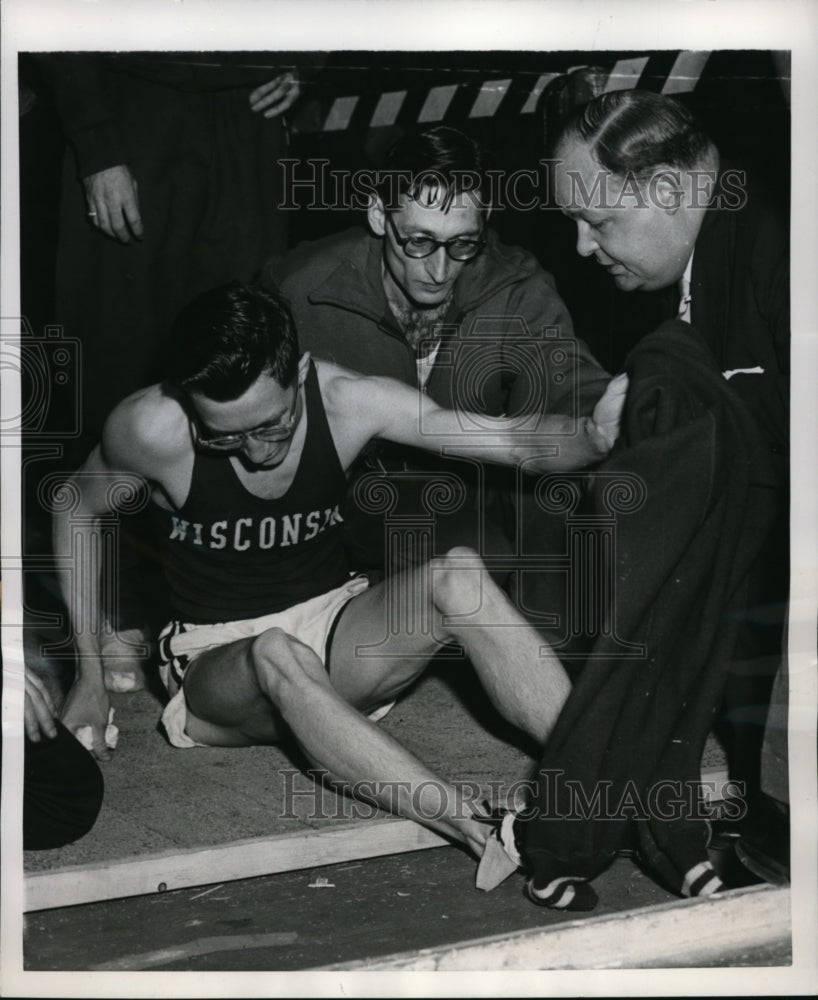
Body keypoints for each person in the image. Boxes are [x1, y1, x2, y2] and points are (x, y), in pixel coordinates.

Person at [52, 281, 626, 871]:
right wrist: (87, 678)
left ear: (300, 373)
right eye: (223, 434)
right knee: (277, 652)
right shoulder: (150, 429)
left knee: (460, 576)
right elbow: (73, 507)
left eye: (271, 427)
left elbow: (505, 437)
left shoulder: (349, 400)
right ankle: (484, 833)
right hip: (216, 664)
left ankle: (602, 773)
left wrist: (590, 436)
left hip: (335, 629)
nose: (252, 452)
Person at [550, 89, 789, 880]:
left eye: (598, 223)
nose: (583, 248)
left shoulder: (780, 252)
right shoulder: (707, 266)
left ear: (663, 192)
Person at [265, 125, 612, 579]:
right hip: (337, 511)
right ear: (377, 214)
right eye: (419, 241)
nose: (439, 269)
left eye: (463, 243)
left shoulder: (514, 287)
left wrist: (614, 417)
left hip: (472, 502)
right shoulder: (302, 289)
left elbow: (570, 385)